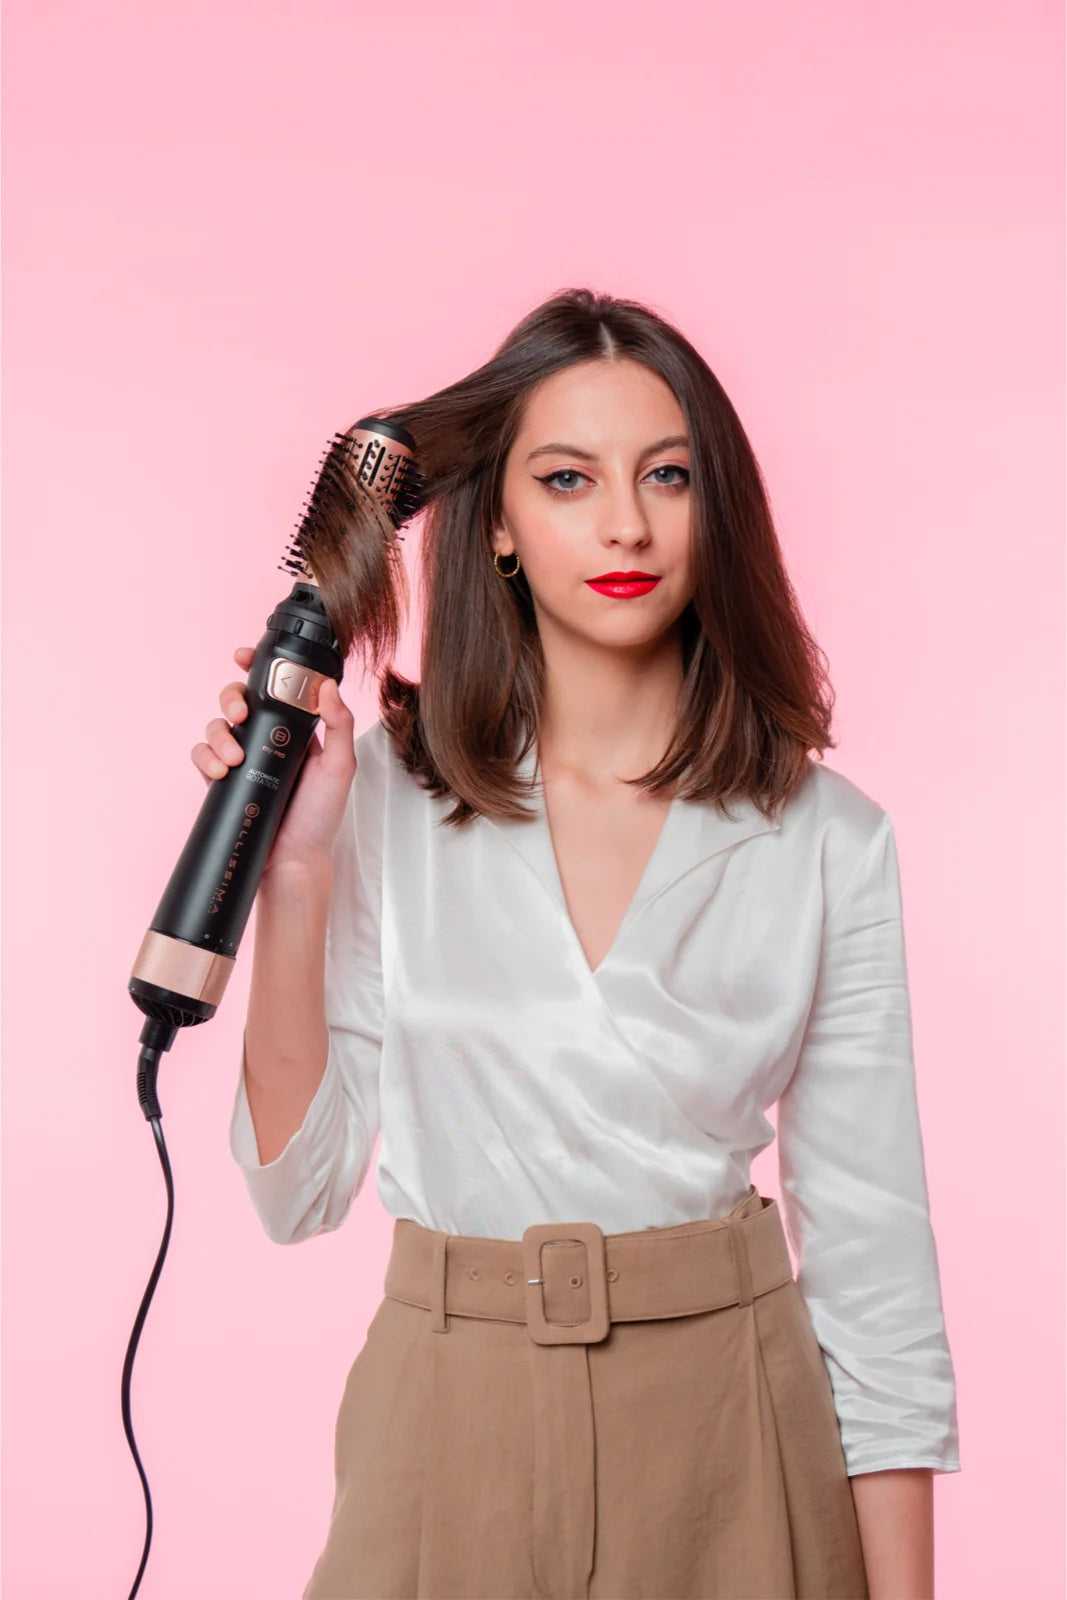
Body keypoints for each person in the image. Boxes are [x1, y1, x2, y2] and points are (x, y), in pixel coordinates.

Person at [198, 288, 960, 1599]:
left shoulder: (827, 839)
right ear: (494, 523)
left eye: (668, 475)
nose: (626, 523)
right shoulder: (384, 797)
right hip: (449, 1421)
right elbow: (296, 1190)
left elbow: (875, 1270)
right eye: (567, 479)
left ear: (715, 505)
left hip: (732, 1430)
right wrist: (302, 864)